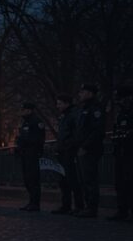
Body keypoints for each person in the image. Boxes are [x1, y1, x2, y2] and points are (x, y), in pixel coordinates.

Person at [74, 83, 106, 218]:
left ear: (90, 93)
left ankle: (92, 208)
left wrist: (85, 146)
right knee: (84, 179)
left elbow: (97, 131)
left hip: (90, 149)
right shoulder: (85, 108)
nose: (80, 94)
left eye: (83, 92)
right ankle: (88, 206)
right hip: (82, 148)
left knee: (90, 179)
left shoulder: (96, 108)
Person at [52, 94, 84, 214]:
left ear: (67, 103)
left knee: (73, 179)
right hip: (63, 151)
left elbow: (75, 135)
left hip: (70, 151)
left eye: (59, 103)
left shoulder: (73, 116)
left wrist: (68, 146)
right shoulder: (64, 116)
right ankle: (66, 205)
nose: (57, 106)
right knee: (63, 180)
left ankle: (78, 206)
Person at [16, 102, 46, 211]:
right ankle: (31, 202)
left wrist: (23, 139)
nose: (21, 112)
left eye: (23, 110)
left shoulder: (36, 122)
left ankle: (35, 203)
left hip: (32, 153)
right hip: (25, 153)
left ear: (29, 110)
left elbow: (38, 139)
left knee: (33, 179)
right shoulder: (25, 122)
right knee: (27, 179)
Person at [109, 85, 133, 220]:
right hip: (120, 152)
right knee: (120, 182)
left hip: (130, 152)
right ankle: (122, 210)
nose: (119, 102)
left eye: (121, 99)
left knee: (130, 182)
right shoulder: (121, 113)